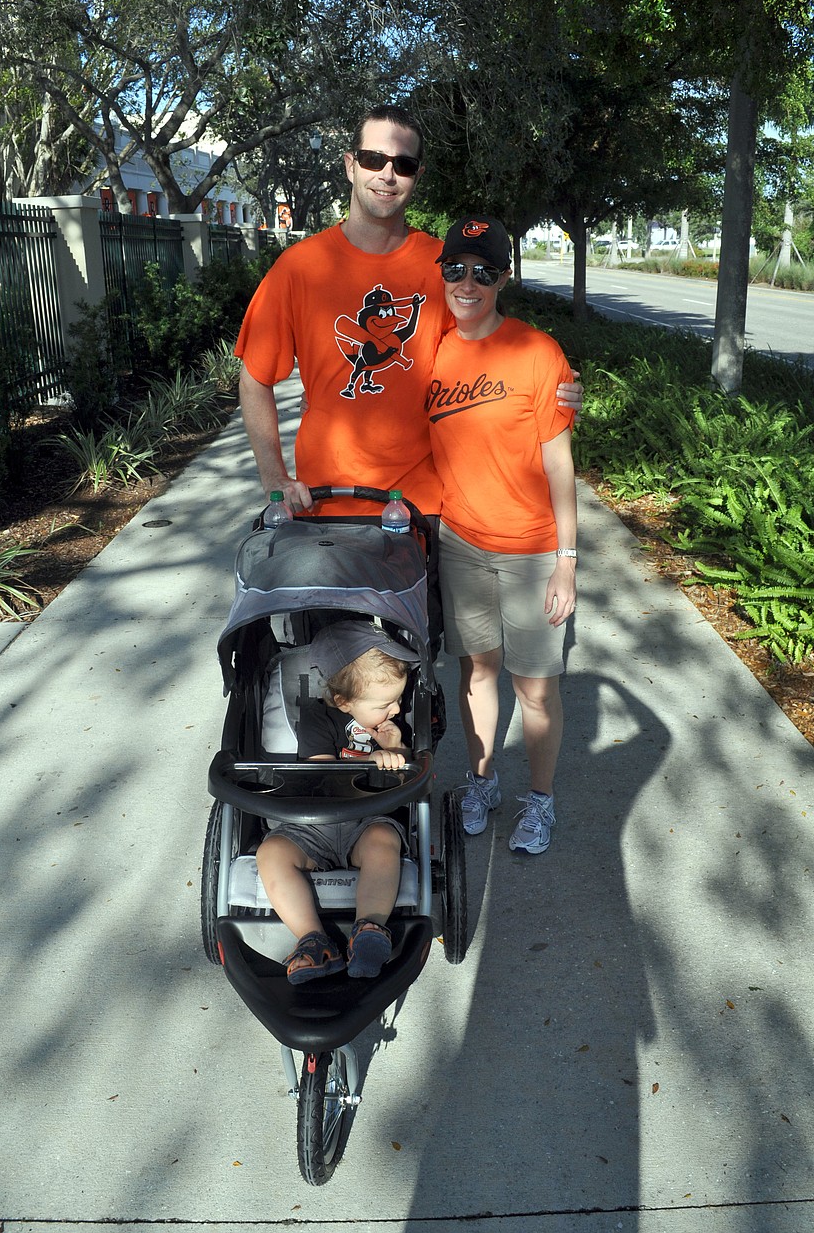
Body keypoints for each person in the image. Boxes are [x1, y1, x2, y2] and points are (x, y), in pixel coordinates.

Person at [234, 103, 584, 520]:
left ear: (417, 175)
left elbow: (488, 351)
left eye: (403, 164)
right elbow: (255, 377)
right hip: (324, 502)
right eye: (373, 159)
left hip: (421, 506)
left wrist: (547, 384)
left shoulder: (446, 267)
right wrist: (273, 477)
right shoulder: (299, 268)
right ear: (350, 166)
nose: (387, 175)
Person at [427, 215, 578, 856]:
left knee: (535, 687)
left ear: (503, 280)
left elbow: (559, 464)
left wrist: (567, 561)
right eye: (456, 269)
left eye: (483, 273)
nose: (468, 283)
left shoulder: (538, 353)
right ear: (442, 274)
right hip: (459, 544)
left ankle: (540, 800)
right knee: (476, 672)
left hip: (532, 551)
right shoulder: (429, 348)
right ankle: (482, 782)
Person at [255, 620, 418, 985]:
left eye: (398, 699)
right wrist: (372, 760)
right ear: (344, 701)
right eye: (385, 703)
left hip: (369, 819)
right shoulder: (317, 718)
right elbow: (323, 774)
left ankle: (368, 931)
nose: (396, 709)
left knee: (384, 842)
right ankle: (313, 940)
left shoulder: (391, 727)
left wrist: (397, 750)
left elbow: (408, 779)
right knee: (272, 852)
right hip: (314, 823)